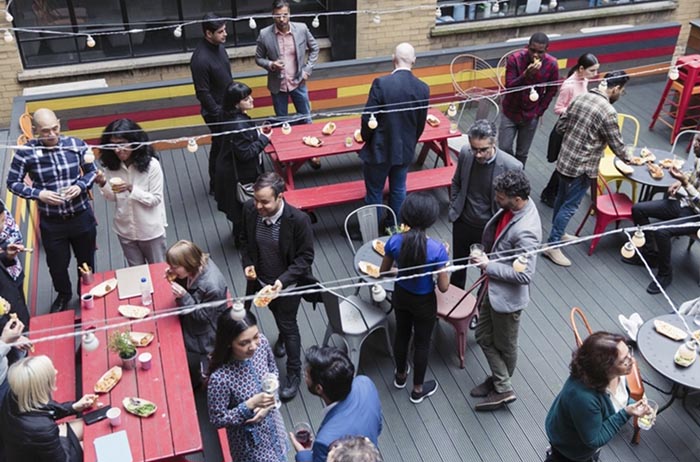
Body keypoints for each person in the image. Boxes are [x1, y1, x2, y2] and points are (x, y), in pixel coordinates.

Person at [6, 108, 97, 313]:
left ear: (59, 123)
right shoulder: (26, 152)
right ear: (36, 131)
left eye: (55, 128)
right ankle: (64, 295)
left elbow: (92, 172)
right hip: (52, 221)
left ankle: (86, 292)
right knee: (57, 265)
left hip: (80, 215)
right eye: (45, 131)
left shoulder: (76, 144)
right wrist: (39, 194)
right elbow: (12, 183)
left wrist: (81, 186)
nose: (52, 134)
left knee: (86, 260)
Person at [542, 71, 632, 267]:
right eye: (621, 91)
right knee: (570, 206)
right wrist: (632, 159)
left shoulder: (580, 98)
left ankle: (559, 233)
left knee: (561, 199)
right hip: (583, 168)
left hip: (564, 161)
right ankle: (552, 245)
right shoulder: (608, 112)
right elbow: (617, 146)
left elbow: (560, 127)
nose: (620, 94)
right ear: (615, 88)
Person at [240, 172, 315, 401]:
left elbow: (305, 258)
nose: (258, 206)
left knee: (289, 325)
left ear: (280, 197)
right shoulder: (250, 211)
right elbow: (244, 240)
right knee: (277, 315)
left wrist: (282, 281)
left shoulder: (299, 221)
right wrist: (249, 264)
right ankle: (281, 336)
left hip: (288, 287)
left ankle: (294, 374)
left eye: (264, 201)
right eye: (256, 200)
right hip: (261, 283)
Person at [471, 170, 542, 411]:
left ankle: (502, 388)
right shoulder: (516, 208)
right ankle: (500, 381)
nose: (496, 200)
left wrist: (488, 265)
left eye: (500, 197)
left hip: (507, 298)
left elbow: (524, 275)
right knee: (482, 335)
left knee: (506, 345)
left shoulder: (526, 231)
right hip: (493, 290)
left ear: (517, 199)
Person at [380, 192, 450, 403]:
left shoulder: (394, 242)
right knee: (422, 342)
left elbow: (384, 272)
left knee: (402, 334)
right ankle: (418, 389)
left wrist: (398, 271)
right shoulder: (437, 250)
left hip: (401, 296)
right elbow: (444, 287)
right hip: (424, 301)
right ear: (430, 219)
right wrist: (444, 262)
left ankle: (400, 376)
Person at [545, 332, 651, 462]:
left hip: (584, 435)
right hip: (571, 449)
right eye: (624, 360)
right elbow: (594, 439)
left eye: (629, 353)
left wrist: (636, 405)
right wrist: (627, 412)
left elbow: (619, 399)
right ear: (605, 368)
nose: (632, 360)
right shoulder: (583, 397)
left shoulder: (616, 374)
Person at [448, 120, 522, 289]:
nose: (478, 154)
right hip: (462, 222)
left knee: (487, 272)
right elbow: (456, 182)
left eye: (483, 150)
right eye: (474, 149)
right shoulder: (466, 153)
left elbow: (515, 203)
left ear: (493, 143)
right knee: (458, 268)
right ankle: (454, 303)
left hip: (489, 229)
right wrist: (454, 205)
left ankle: (480, 308)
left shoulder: (512, 166)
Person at [359, 42, 429, 221]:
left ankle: (373, 229)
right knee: (399, 190)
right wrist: (411, 142)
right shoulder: (423, 88)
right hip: (405, 149)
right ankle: (395, 227)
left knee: (374, 191)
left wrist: (367, 139)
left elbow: (369, 119)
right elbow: (420, 124)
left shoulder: (381, 84)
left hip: (380, 149)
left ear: (393, 59)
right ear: (414, 60)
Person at [207, 309, 288, 462]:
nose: (253, 346)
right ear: (229, 343)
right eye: (244, 343)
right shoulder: (220, 378)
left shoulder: (262, 343)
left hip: (276, 429)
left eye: (255, 337)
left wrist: (268, 404)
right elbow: (217, 419)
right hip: (251, 448)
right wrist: (248, 405)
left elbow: (273, 371)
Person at [623, 135, 700, 294]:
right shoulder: (699, 158)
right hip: (685, 203)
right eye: (696, 140)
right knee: (638, 209)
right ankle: (650, 255)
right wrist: (681, 181)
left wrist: (685, 184)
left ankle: (665, 274)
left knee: (662, 232)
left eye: (699, 143)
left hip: (697, 216)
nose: (694, 145)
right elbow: (693, 175)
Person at [255, 0, 320, 169]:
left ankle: (313, 153)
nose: (282, 19)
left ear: (289, 13)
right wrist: (270, 65)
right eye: (278, 16)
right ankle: (286, 155)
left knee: (306, 117)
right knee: (281, 122)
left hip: (298, 82)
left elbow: (315, 48)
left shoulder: (302, 29)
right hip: (278, 86)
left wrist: (307, 70)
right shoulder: (264, 34)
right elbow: (258, 58)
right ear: (273, 15)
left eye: (285, 14)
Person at [94, 119, 167, 266]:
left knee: (159, 270)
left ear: (134, 142)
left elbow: (155, 199)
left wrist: (131, 188)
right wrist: (102, 183)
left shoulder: (152, 166)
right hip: (125, 229)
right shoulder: (112, 167)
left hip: (150, 230)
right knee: (136, 271)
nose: (118, 150)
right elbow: (113, 197)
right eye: (113, 145)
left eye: (122, 144)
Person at [290, 346, 382, 462]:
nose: (305, 377)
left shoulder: (324, 442)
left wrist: (304, 454)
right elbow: (378, 426)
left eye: (306, 375)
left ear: (319, 388)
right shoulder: (365, 383)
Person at [0, 355, 97, 462]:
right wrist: (62, 436)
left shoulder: (16, 394)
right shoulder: (44, 429)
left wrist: (73, 407)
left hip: (29, 449)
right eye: (51, 373)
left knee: (93, 424)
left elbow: (44, 408)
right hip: (44, 452)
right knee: (92, 443)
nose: (55, 372)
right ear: (42, 385)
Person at [165, 240, 229, 388]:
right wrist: (176, 276)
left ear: (188, 263)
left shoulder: (212, 286)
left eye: (175, 267)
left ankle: (210, 383)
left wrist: (184, 297)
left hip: (209, 331)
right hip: (195, 324)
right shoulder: (195, 268)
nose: (171, 270)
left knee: (208, 361)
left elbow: (204, 318)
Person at [215, 82, 271, 245]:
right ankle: (243, 241)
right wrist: (264, 139)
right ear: (236, 103)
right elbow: (245, 153)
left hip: (229, 169)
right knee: (242, 207)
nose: (252, 100)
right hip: (236, 173)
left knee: (238, 209)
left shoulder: (229, 117)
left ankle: (240, 236)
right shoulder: (238, 124)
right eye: (246, 99)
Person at [540, 53, 600, 207]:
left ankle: (553, 192)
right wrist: (577, 110)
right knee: (563, 165)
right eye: (592, 70)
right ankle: (549, 193)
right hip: (565, 129)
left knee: (566, 164)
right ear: (581, 68)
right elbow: (558, 108)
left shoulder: (583, 80)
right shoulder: (569, 85)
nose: (595, 74)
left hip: (576, 128)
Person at [499, 32, 559, 166]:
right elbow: (509, 87)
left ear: (546, 50)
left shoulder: (551, 64)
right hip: (510, 111)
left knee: (522, 153)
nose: (535, 55)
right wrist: (525, 75)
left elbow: (552, 90)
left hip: (531, 115)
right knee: (504, 148)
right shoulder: (515, 59)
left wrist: (539, 111)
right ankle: (507, 173)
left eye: (540, 52)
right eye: (532, 50)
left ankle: (518, 181)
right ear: (528, 47)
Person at [190, 12, 233, 195]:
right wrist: (219, 114)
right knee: (220, 147)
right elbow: (202, 93)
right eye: (221, 31)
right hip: (215, 112)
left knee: (225, 145)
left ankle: (225, 180)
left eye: (225, 30)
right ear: (208, 33)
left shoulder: (219, 47)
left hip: (228, 107)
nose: (225, 34)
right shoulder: (200, 59)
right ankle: (216, 184)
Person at [0, 200, 29, 325]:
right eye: (1, 222)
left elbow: (15, 236)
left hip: (11, 278)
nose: (3, 226)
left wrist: (6, 255)